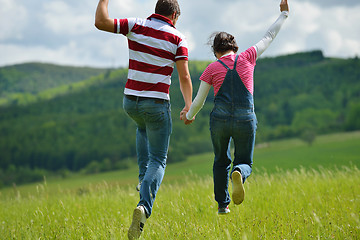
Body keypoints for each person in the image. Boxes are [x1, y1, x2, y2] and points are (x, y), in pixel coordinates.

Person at [180, 0, 289, 214]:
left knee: (220, 161)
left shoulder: (211, 68)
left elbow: (200, 101)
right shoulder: (248, 57)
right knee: (244, 159)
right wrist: (284, 14)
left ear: (215, 51)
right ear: (234, 47)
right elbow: (269, 36)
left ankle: (223, 205)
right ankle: (239, 171)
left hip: (219, 121)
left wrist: (189, 115)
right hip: (245, 119)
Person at [95, 0, 193, 239]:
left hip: (130, 101)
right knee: (159, 160)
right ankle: (144, 206)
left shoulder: (136, 25)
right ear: (174, 15)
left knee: (141, 129)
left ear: (156, 10)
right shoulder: (178, 38)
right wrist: (189, 105)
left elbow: (100, 22)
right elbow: (184, 76)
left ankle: (142, 180)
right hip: (157, 104)